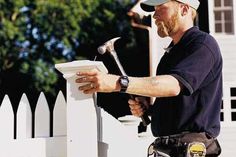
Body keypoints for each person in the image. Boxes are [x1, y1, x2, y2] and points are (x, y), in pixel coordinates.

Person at [76, 0, 222, 156]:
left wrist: (118, 82)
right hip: (168, 149)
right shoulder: (170, 55)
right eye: (155, 9)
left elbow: (173, 86)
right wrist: (150, 109)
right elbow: (180, 104)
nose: (154, 15)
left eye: (161, 8)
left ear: (184, 9)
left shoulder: (202, 44)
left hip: (192, 150)